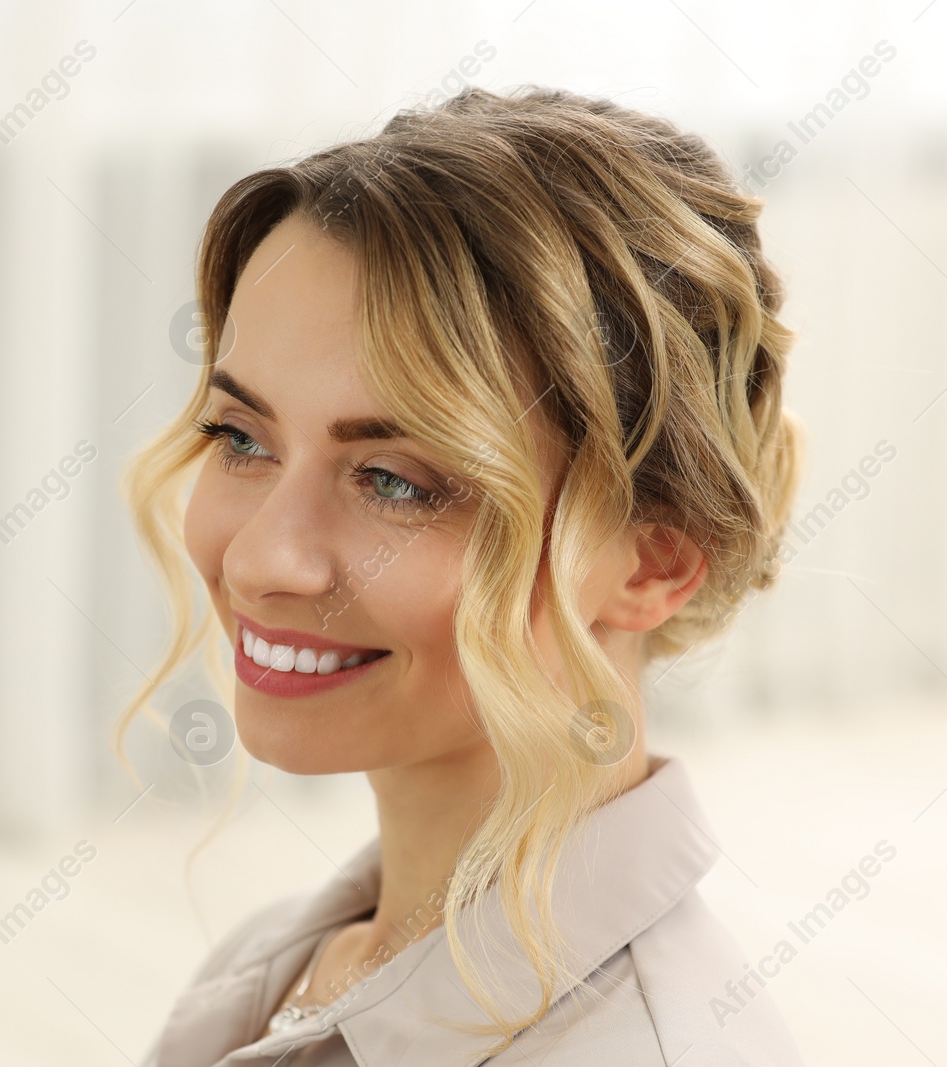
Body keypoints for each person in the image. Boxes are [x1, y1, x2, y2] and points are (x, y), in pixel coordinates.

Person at [122, 84, 807, 1066]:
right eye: (240, 436)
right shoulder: (288, 960)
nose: (259, 558)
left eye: (396, 481)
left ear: (651, 560)